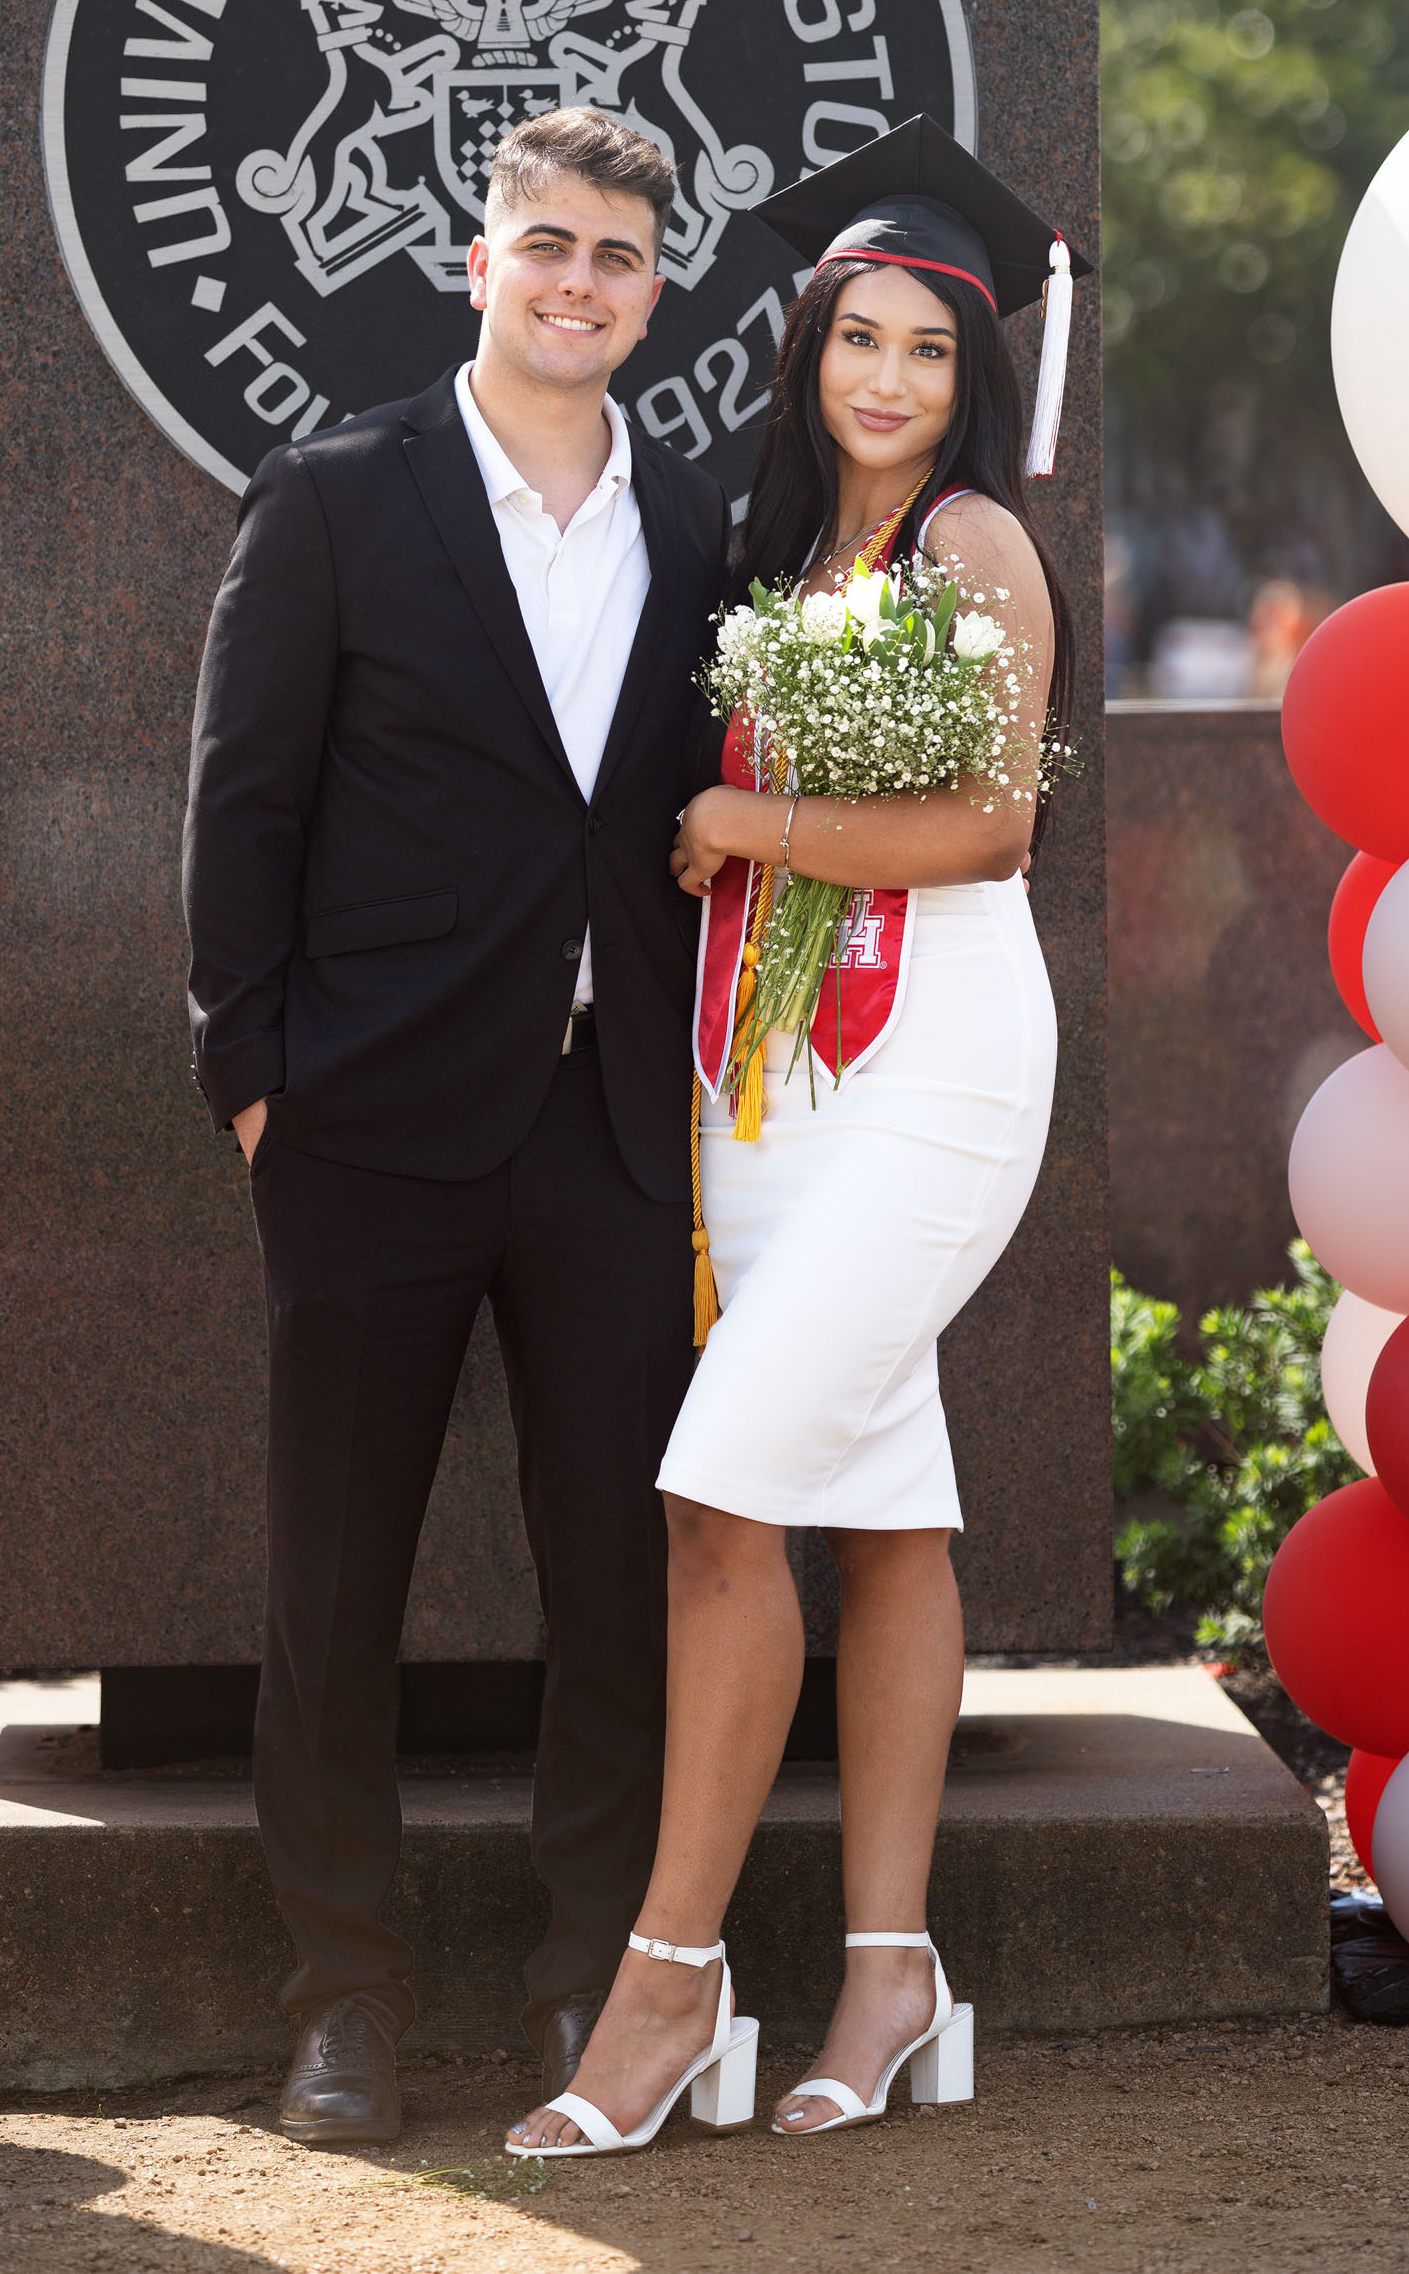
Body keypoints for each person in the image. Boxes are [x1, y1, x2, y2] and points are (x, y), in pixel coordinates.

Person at [508, 117, 1087, 2158]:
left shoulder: (974, 551)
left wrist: (751, 822)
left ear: (973, 379)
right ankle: (887, 1965)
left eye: (931, 352)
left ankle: (664, 1984)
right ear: (805, 354)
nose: (890, 383)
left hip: (932, 1069)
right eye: (861, 340)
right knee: (886, 1498)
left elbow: (998, 828)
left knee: (715, 1497)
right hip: (771, 1082)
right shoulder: (781, 561)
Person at [183, 106, 727, 2148]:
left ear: (653, 290)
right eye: (544, 244)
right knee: (336, 1581)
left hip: (612, 1137)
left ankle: (587, 1974)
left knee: (619, 1580)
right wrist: (255, 1081)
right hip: (370, 1131)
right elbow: (242, 804)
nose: (576, 279)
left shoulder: (698, 527)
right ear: (474, 258)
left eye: (613, 255)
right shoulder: (335, 497)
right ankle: (342, 1994)